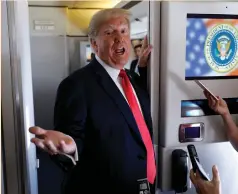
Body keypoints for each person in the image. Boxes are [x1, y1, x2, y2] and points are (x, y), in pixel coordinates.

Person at [29, 8, 154, 194]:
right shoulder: (76, 85)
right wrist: (70, 148)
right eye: (109, 32)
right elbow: (69, 138)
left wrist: (145, 67)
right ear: (94, 44)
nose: (119, 38)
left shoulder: (133, 81)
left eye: (123, 31)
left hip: (143, 186)